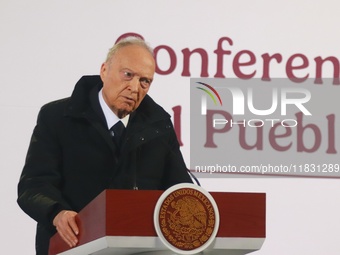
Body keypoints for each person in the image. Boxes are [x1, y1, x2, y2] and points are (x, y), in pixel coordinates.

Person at [17, 36, 193, 255]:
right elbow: (33, 186)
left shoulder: (159, 126)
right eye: (127, 75)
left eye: (144, 81)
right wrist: (57, 214)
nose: (134, 87)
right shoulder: (57, 118)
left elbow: (181, 191)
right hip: (71, 246)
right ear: (104, 71)